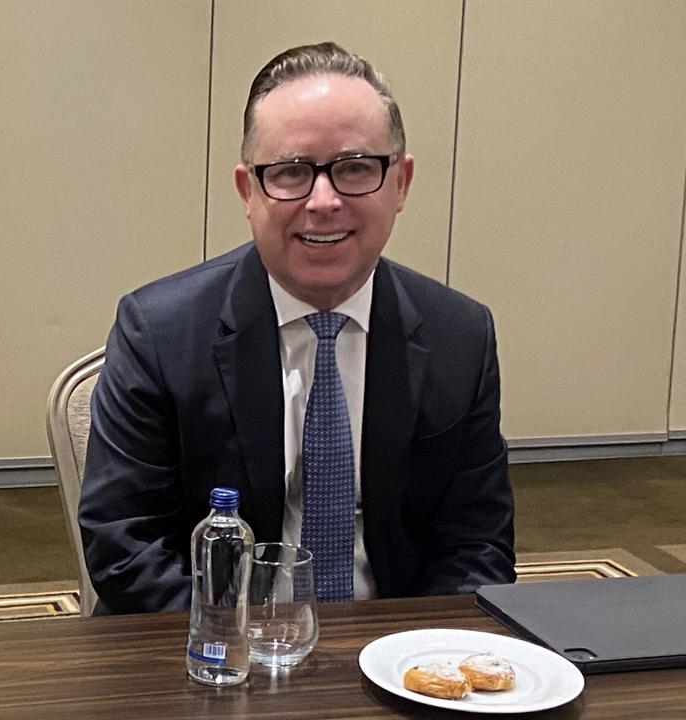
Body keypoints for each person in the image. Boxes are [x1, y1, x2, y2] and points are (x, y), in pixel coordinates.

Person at [79, 42, 514, 615]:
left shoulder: (461, 334)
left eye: (356, 168)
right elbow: (125, 547)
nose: (324, 200)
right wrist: (241, 649)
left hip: (394, 658)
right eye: (290, 172)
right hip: (208, 655)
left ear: (401, 182)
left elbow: (476, 546)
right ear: (247, 190)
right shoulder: (159, 333)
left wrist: (414, 658)